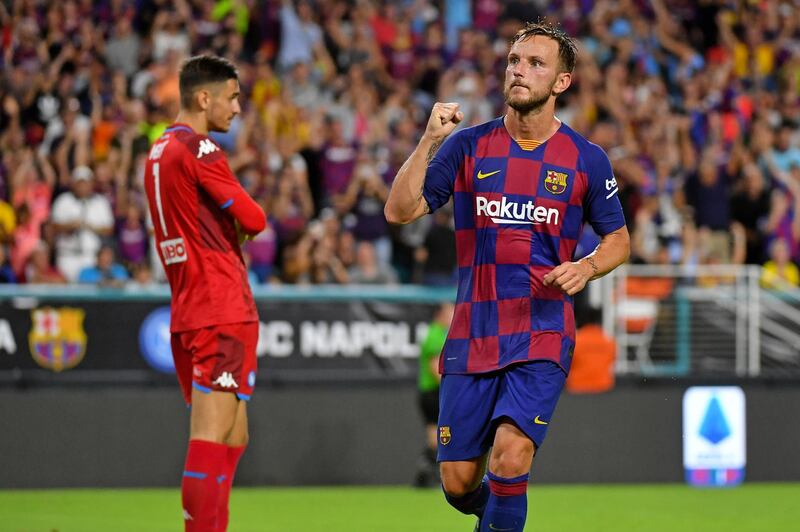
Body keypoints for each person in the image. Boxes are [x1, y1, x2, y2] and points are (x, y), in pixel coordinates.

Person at [384, 21, 630, 532]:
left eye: (536, 63)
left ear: (561, 82)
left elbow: (619, 241)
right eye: (515, 61)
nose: (519, 70)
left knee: (511, 457)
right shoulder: (468, 146)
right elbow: (400, 211)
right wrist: (430, 139)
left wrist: (586, 267)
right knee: (456, 482)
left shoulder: (586, 158)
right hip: (474, 330)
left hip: (541, 330)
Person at [143, 55, 266, 532]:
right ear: (203, 97)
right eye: (233, 97)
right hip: (220, 307)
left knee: (235, 434)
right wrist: (240, 224)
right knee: (212, 435)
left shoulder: (159, 150)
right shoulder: (200, 149)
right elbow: (255, 219)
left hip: (189, 306)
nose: (238, 108)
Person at [414, 301, 454, 488]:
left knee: (434, 436)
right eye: (450, 312)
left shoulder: (437, 333)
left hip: (428, 392)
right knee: (440, 436)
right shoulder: (436, 335)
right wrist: (451, 390)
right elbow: (435, 368)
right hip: (433, 392)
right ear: (440, 314)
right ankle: (436, 474)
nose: (453, 315)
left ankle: (425, 470)